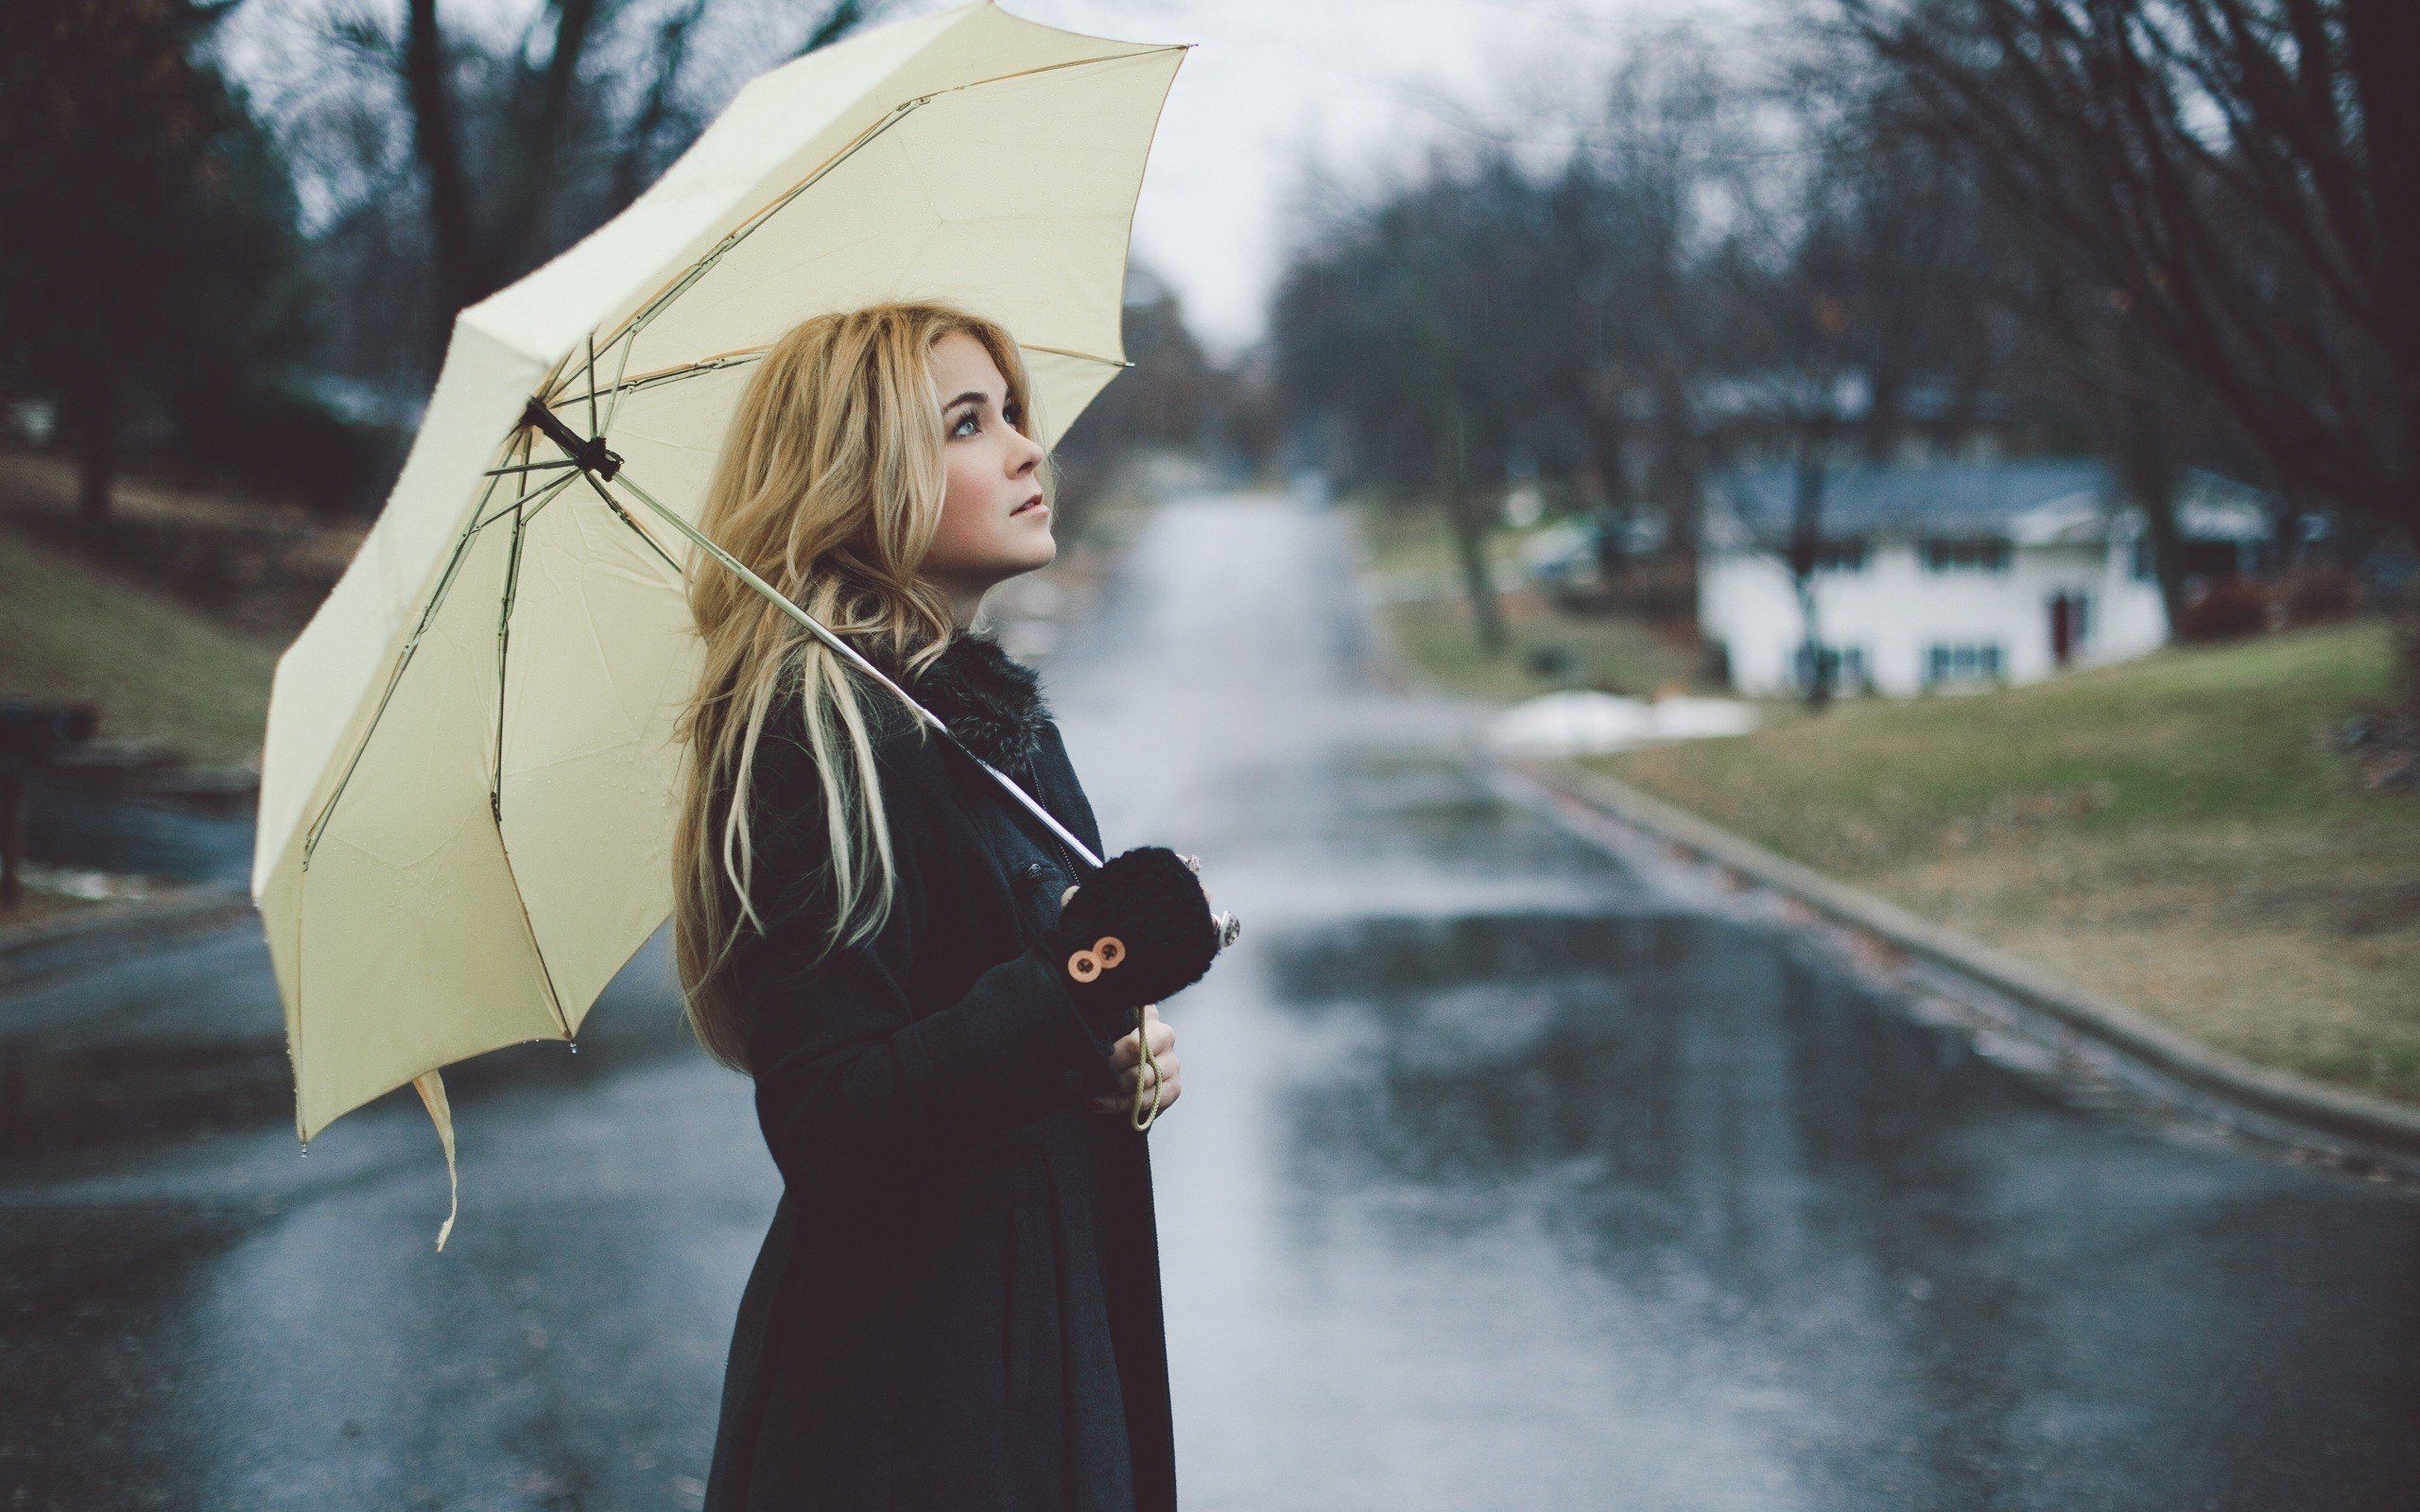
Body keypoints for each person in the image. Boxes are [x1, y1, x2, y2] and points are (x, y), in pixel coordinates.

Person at [670, 300, 1223, 1511]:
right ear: (853, 483)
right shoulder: (814, 733)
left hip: (1034, 1351)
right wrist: (1088, 972)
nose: (1028, 447)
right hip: (914, 1411)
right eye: (967, 424)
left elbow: (996, 1025)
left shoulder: (974, 718)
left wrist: (1116, 1053)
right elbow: (830, 1120)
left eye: (1012, 413)